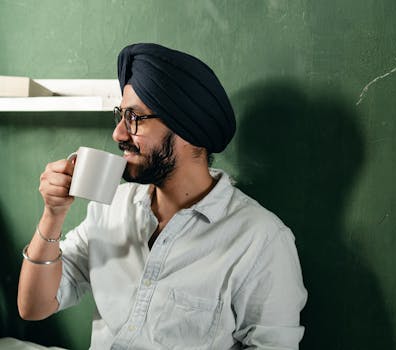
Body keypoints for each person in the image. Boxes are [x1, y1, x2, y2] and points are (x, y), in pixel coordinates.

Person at [17, 43, 307, 349]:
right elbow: (34, 307)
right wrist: (53, 214)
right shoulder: (112, 207)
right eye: (121, 115)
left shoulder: (260, 240)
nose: (118, 134)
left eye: (134, 118)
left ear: (187, 129)